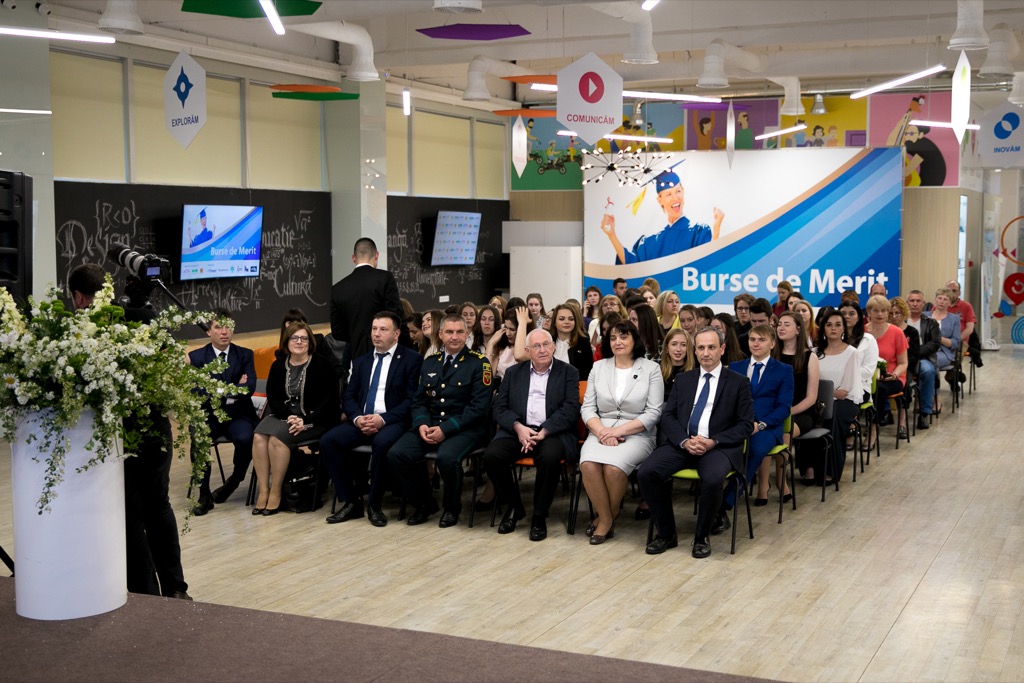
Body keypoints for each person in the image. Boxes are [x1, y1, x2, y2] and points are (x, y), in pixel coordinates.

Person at [67, 263, 191, 600]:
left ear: (79, 297)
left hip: (117, 433)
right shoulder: (144, 316)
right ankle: (176, 590)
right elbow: (179, 362)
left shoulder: (83, 332)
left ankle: (145, 596)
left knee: (131, 515)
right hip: (155, 426)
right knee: (159, 506)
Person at [638, 327, 754, 558]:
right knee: (647, 472)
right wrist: (683, 441)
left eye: (711, 347)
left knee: (712, 479)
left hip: (718, 447)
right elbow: (668, 416)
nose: (705, 353)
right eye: (700, 347)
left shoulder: (738, 382)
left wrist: (714, 441)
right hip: (684, 444)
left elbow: (745, 425)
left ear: (722, 349)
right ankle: (666, 534)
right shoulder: (684, 379)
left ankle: (701, 537)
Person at [387, 315, 493, 528]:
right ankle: (424, 503)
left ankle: (451, 508)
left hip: (465, 427)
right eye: (450, 332)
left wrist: (445, 429)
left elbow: (478, 408)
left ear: (467, 335)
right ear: (441, 334)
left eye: (460, 332)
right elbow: (419, 401)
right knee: (397, 454)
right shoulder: (430, 362)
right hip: (431, 424)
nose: (455, 337)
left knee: (447, 458)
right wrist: (422, 424)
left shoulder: (479, 363)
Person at [320, 312, 422, 527]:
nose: (376, 334)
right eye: (374, 329)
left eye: (383, 329)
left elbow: (411, 400)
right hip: (363, 420)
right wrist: (358, 418)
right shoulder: (361, 362)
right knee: (329, 441)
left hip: (393, 421)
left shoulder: (411, 359)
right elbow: (348, 396)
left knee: (382, 443)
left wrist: (382, 420)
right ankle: (351, 501)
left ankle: (374, 505)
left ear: (396, 334)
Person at [485, 329, 581, 542]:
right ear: (527, 350)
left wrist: (545, 430)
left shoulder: (568, 372)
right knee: (492, 455)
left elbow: (571, 409)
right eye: (536, 346)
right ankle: (514, 507)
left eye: (546, 344)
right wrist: (518, 427)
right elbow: (499, 408)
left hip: (553, 432)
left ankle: (539, 515)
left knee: (549, 457)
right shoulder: (513, 373)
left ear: (553, 347)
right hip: (519, 430)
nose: (542, 349)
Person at [579, 321, 664, 545]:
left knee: (614, 469)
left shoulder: (650, 369)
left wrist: (617, 431)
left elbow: (653, 412)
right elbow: (588, 408)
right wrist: (602, 431)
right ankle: (607, 517)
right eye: (613, 337)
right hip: (601, 429)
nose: (618, 342)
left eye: (624, 337)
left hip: (637, 433)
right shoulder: (599, 367)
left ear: (634, 340)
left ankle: (606, 517)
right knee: (588, 464)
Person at [252, 322, 339, 515]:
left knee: (277, 439)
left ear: (310, 342)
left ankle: (276, 491)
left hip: (316, 419)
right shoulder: (278, 365)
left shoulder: (322, 364)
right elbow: (273, 397)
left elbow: (330, 400)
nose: (299, 342)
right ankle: (263, 491)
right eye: (294, 338)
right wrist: (288, 416)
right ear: (287, 341)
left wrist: (306, 420)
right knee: (259, 436)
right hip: (284, 415)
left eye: (303, 338)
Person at [186, 308, 258, 514]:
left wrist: (214, 388)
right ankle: (204, 495)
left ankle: (234, 481)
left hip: (238, 415)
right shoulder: (197, 357)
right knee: (199, 438)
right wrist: (232, 389)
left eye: (228, 327)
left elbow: (249, 388)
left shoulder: (245, 354)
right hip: (208, 414)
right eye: (218, 327)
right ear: (209, 331)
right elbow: (196, 391)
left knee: (246, 438)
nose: (224, 332)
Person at [729, 324, 794, 506]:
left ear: (772, 344)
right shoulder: (735, 367)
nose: (756, 343)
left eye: (762, 340)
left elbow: (784, 407)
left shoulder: (784, 370)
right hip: (738, 424)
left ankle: (727, 500)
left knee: (756, 450)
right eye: (752, 339)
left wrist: (762, 424)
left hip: (767, 427)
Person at [600, 170, 723, 265]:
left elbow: (708, 263)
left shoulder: (698, 232)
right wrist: (612, 235)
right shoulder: (650, 242)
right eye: (668, 194)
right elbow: (631, 266)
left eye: (678, 191)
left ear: (683, 191)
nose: (675, 198)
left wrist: (716, 230)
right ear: (659, 200)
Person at [330, 237, 406, 364]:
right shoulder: (385, 278)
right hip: (388, 353)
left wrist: (357, 336)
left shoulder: (337, 289)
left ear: (353, 258)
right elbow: (396, 317)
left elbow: (337, 332)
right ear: (376, 255)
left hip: (357, 355)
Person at [810, 308, 862, 483]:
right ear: (823, 328)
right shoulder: (814, 353)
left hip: (845, 401)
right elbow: (810, 382)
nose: (833, 328)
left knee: (833, 418)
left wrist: (831, 395)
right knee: (806, 418)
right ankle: (809, 468)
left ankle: (831, 470)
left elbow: (847, 388)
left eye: (838, 325)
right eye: (829, 325)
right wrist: (830, 393)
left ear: (843, 329)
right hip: (818, 398)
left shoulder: (852, 353)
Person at [864, 296, 909, 440]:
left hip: (891, 377)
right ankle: (851, 429)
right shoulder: (863, 331)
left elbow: (903, 363)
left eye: (884, 311)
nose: (880, 314)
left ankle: (873, 428)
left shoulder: (897, 332)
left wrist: (894, 374)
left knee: (879, 389)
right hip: (866, 377)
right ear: (869, 312)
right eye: (875, 310)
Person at [774, 311, 820, 440]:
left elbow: (811, 398)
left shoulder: (810, 357)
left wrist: (787, 412)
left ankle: (785, 455)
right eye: (779, 324)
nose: (781, 328)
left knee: (781, 434)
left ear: (798, 330)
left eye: (787, 324)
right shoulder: (772, 355)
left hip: (800, 413)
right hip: (774, 410)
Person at [906, 289, 942, 428]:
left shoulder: (931, 323)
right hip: (902, 358)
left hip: (922, 358)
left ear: (923, 304)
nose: (915, 304)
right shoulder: (900, 321)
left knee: (928, 371)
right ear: (907, 303)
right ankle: (886, 411)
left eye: (918, 301)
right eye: (912, 301)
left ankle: (924, 413)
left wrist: (915, 352)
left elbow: (935, 343)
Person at [924, 287, 961, 410]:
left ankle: (936, 397)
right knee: (920, 362)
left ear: (949, 302)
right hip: (925, 350)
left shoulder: (954, 319)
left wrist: (939, 339)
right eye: (940, 298)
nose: (942, 301)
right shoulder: (925, 316)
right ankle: (921, 396)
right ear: (935, 299)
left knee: (932, 361)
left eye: (945, 299)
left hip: (944, 352)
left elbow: (955, 342)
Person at [550, 302, 594, 381]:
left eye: (571, 319)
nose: (567, 322)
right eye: (561, 319)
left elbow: (587, 372)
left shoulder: (583, 342)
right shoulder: (548, 341)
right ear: (554, 323)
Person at [946, 279, 981, 366]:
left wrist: (956, 340)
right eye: (948, 290)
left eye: (954, 291)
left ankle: (954, 371)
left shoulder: (966, 306)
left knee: (955, 356)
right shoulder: (939, 305)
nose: (951, 293)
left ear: (959, 293)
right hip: (942, 340)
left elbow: (970, 328)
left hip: (960, 341)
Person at [660, 328, 694, 396]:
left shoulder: (695, 373)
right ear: (666, 348)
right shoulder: (657, 371)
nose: (678, 349)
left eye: (683, 345)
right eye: (674, 344)